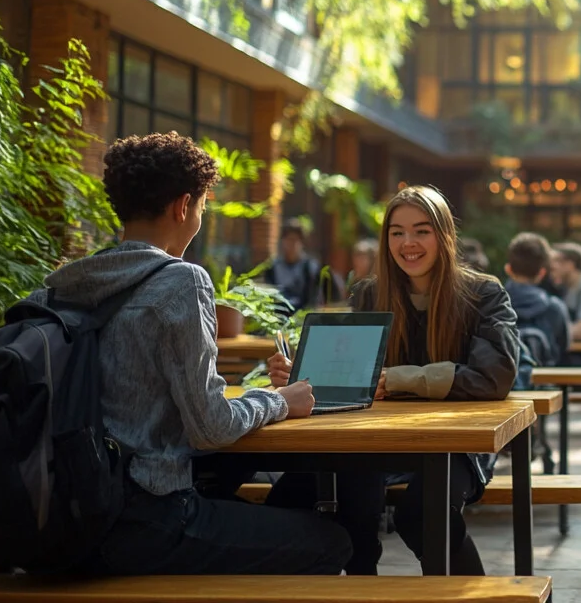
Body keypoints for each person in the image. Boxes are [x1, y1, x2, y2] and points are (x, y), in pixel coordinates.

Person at [35, 133, 349, 576]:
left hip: (65, 517)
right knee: (330, 542)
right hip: (142, 520)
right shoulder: (181, 281)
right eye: (203, 206)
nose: (199, 216)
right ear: (184, 206)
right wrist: (280, 400)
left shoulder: (67, 285)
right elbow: (210, 428)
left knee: (246, 504)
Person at [266, 186, 521, 576]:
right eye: (397, 232)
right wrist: (299, 377)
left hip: (457, 445)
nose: (408, 243)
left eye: (421, 230)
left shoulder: (483, 294)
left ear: (444, 235)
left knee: (422, 513)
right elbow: (350, 373)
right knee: (309, 495)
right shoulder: (370, 294)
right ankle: (361, 587)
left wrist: (401, 380)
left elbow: (494, 376)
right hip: (378, 440)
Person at [505, 232, 572, 364]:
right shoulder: (554, 307)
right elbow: (564, 349)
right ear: (542, 273)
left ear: (508, 269)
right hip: (545, 382)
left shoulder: (493, 304)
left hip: (505, 382)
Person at [266, 219, 323, 312]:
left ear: (302, 243)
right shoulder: (273, 268)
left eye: (295, 240)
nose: (292, 244)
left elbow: (314, 300)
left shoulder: (310, 268)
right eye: (289, 239)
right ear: (283, 241)